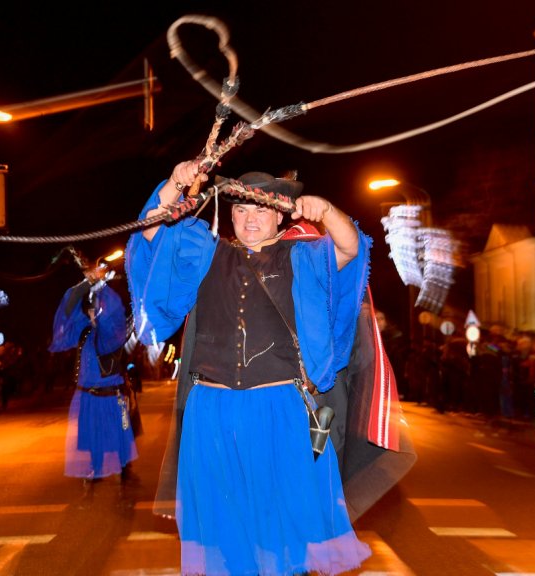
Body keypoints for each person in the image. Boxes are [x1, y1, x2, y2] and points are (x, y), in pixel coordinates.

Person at [127, 161, 372, 575]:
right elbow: (152, 231)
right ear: (231, 215)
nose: (250, 219)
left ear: (280, 216)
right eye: (241, 210)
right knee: (225, 534)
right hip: (211, 413)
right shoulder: (207, 252)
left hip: (279, 412)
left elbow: (350, 248)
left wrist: (328, 212)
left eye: (261, 210)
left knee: (283, 533)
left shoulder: (304, 258)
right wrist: (175, 182)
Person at [50, 259, 138, 484]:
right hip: (88, 394)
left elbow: (112, 317)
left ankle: (124, 471)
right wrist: (84, 284)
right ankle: (96, 468)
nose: (94, 311)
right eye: (91, 307)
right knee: (93, 434)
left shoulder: (111, 330)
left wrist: (100, 287)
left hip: (111, 393)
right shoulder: (84, 331)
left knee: (120, 433)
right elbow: (66, 313)